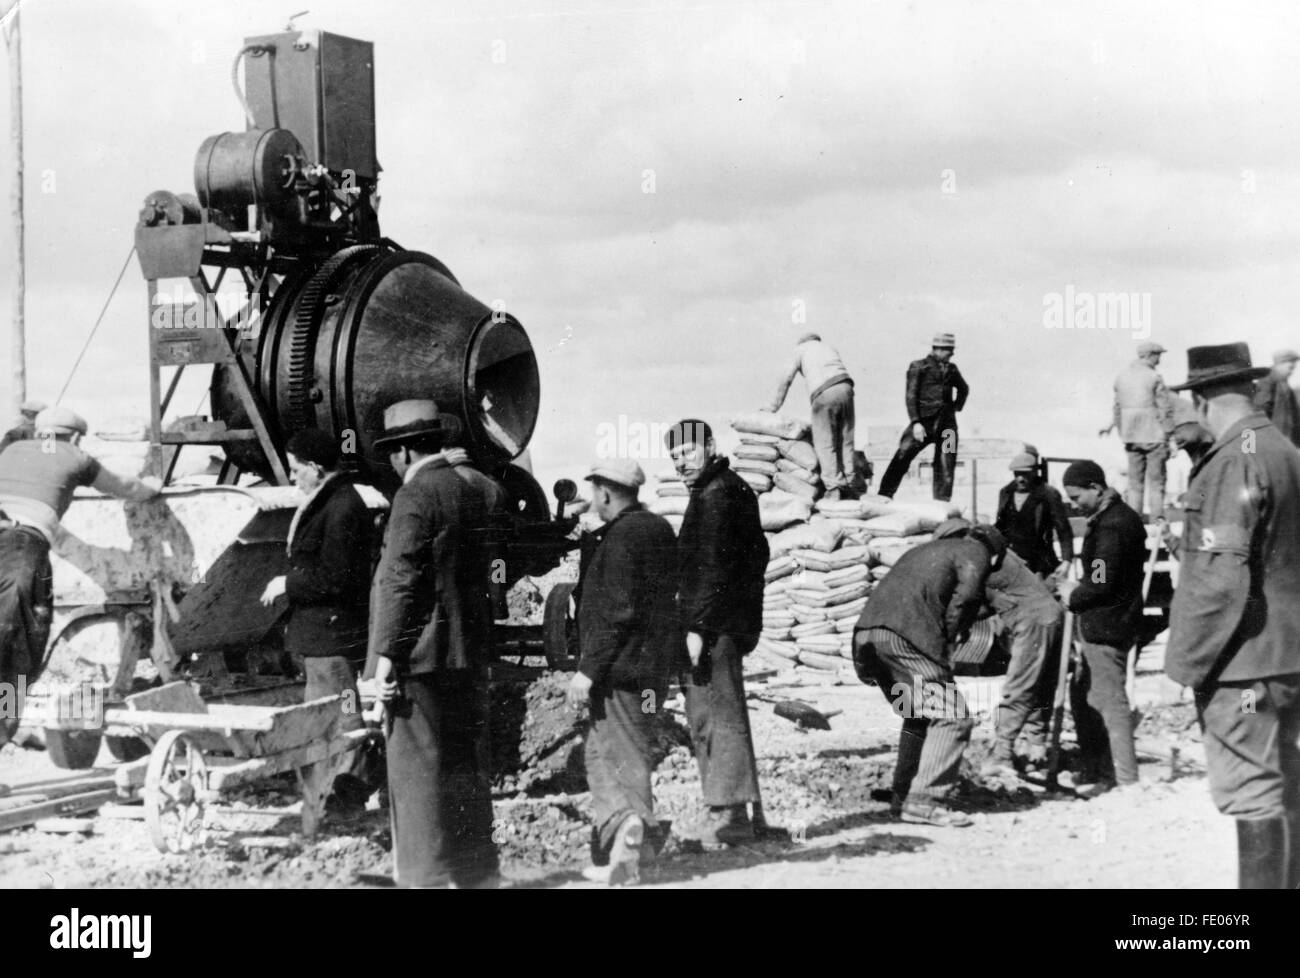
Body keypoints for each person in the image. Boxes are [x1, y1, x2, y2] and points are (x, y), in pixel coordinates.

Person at [1164, 343, 1300, 889]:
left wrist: (1186, 663)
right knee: (1286, 788)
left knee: (1252, 793)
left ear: (1201, 400)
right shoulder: (1285, 450)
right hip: (1288, 659)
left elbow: (1219, 578)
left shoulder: (1230, 462)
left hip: (1243, 667)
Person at [367, 399, 498, 888]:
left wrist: (384, 658)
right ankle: (477, 874)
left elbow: (401, 580)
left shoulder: (414, 496)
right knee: (465, 765)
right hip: (467, 651)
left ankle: (423, 878)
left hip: (419, 657)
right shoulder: (468, 489)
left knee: (417, 771)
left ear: (402, 451)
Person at [0, 406, 160, 746]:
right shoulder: (76, 457)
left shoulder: (12, 449)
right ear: (73, 436)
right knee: (18, 655)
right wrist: (151, 487)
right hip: (21, 550)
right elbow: (124, 486)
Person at [565, 458, 678, 886]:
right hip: (652, 671)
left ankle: (630, 834)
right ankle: (636, 849)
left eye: (594, 490)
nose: (593, 498)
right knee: (608, 753)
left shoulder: (622, 537)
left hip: (621, 672)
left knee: (622, 756)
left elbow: (617, 611)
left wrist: (587, 671)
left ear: (606, 492)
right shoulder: (658, 529)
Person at [853, 524, 1002, 825]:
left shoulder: (923, 550)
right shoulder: (976, 551)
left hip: (867, 643)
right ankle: (925, 802)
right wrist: (949, 635)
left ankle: (902, 796)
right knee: (952, 716)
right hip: (903, 639)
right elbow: (969, 596)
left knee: (919, 715)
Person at [259, 429, 374, 813]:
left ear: (314, 467)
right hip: (324, 638)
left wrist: (286, 583)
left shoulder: (341, 506)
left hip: (332, 639)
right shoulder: (334, 500)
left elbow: (337, 576)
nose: (292, 478)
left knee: (342, 712)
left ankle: (350, 789)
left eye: (296, 470)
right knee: (329, 715)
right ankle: (335, 789)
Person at [666, 418, 769, 845]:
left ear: (709, 445)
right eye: (674, 457)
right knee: (722, 713)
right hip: (725, 624)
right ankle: (741, 813)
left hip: (713, 629)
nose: (680, 463)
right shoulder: (725, 488)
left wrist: (696, 628)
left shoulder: (716, 495)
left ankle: (730, 816)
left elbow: (713, 569)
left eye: (687, 452)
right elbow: (756, 555)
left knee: (714, 716)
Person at [1056, 460, 1147, 796]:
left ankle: (1127, 781)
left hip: (1107, 626)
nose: (1073, 504)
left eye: (1077, 496)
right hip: (1101, 624)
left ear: (1096, 488)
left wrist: (1074, 593)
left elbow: (1100, 580)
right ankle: (1096, 769)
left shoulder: (1113, 525)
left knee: (1110, 702)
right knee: (1084, 698)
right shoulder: (1109, 519)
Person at [877, 333, 970, 502]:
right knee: (903, 455)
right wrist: (916, 422)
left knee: (947, 465)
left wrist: (957, 406)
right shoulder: (918, 366)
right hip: (923, 424)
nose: (952, 354)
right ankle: (884, 495)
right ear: (939, 350)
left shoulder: (952, 369)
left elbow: (964, 388)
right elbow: (911, 395)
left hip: (948, 427)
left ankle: (942, 503)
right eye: (950, 350)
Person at [766, 333, 857, 499]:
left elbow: (785, 379)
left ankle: (833, 487)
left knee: (824, 441)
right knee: (845, 440)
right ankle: (851, 485)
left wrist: (773, 407)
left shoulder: (800, 349)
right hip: (846, 388)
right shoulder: (829, 348)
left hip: (824, 392)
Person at [1099, 341, 1175, 520]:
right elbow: (1165, 409)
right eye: (1158, 356)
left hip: (1130, 436)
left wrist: (1113, 427)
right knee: (1157, 483)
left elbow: (1117, 407)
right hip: (1154, 435)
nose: (1159, 360)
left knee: (1135, 484)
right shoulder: (1155, 377)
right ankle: (1157, 523)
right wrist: (1170, 437)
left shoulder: (1121, 377)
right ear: (1150, 355)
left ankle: (1134, 523)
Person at [993, 451, 1075, 579]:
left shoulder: (1048, 494)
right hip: (1012, 561)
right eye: (1017, 474)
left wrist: (1067, 561)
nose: (1020, 478)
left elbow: (1063, 529)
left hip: (1040, 562)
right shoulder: (1006, 493)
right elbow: (1000, 526)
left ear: (1034, 472)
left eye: (1025, 474)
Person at [1253, 348, 1299, 447]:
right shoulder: (1267, 382)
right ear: (1279, 364)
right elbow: (1260, 413)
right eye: (1290, 368)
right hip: (1271, 443)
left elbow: (1295, 418)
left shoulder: (1285, 385)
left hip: (1285, 441)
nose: (1291, 372)